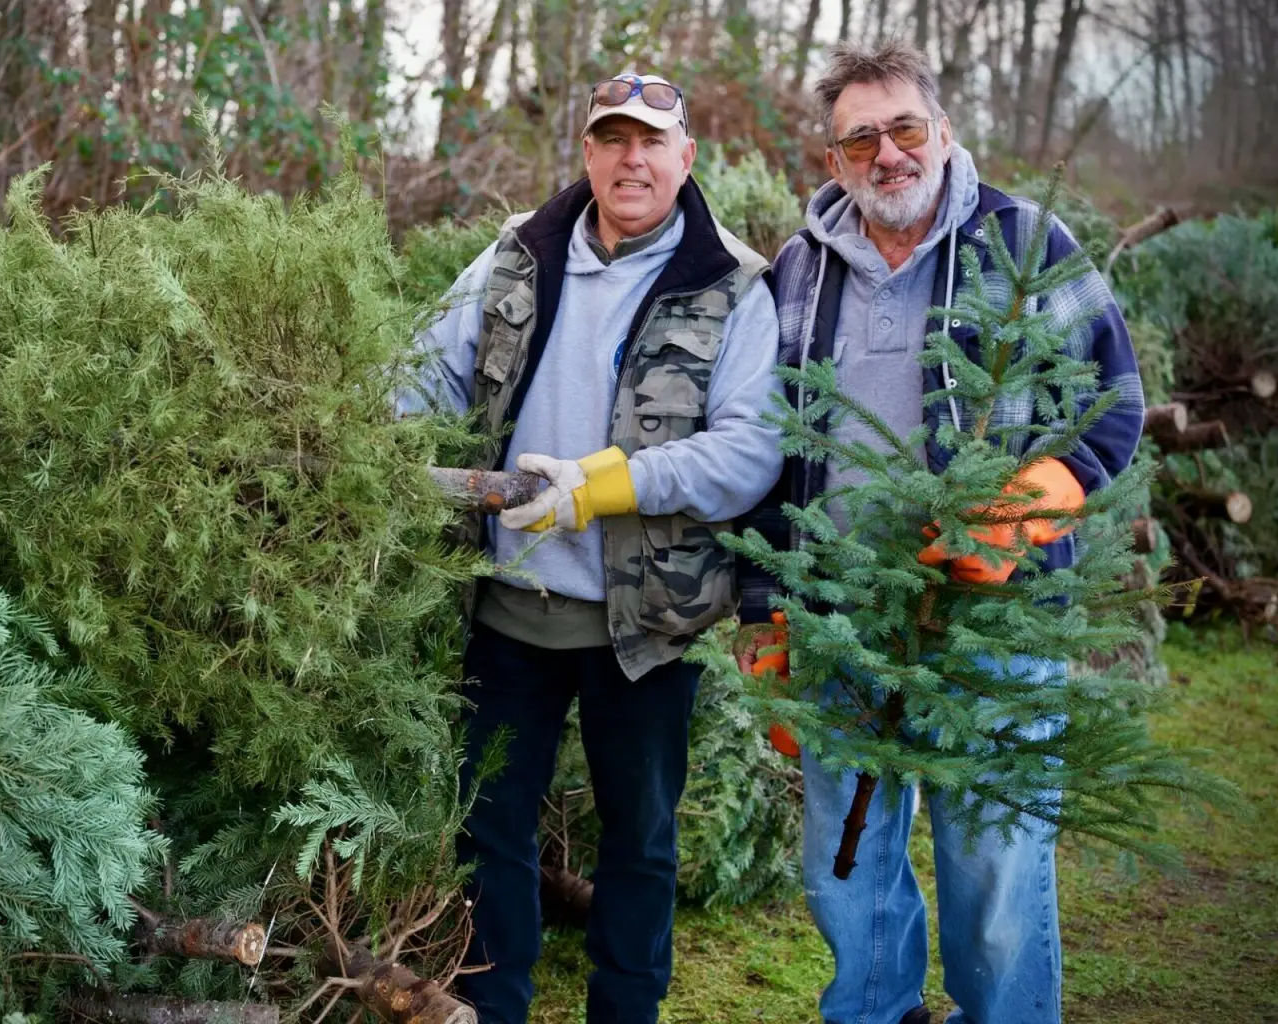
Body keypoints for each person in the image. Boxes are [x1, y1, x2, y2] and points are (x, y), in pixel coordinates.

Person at [733, 41, 1144, 1024]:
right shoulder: (798, 268)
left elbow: (1113, 405)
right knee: (847, 871)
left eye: (905, 128)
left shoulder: (1028, 243)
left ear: (945, 133)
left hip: (991, 624)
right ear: (834, 160)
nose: (888, 154)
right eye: (860, 138)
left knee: (995, 871)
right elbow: (767, 447)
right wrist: (766, 617)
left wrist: (1020, 510)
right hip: (837, 631)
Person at [400, 71, 784, 1024]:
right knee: (490, 830)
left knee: (642, 841)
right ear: (587, 153)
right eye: (613, 138)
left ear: (686, 158)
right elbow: (421, 378)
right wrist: (356, 447)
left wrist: (601, 489)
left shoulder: (732, 281)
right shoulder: (515, 257)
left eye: (653, 141)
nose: (633, 158)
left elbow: (749, 453)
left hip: (648, 623)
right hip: (508, 610)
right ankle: (492, 1010)